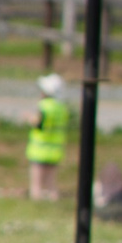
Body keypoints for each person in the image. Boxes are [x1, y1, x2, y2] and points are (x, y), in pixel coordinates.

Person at [29, 73, 71, 202]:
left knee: (37, 181)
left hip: (41, 148)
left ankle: (36, 199)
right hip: (55, 148)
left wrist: (28, 118)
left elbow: (39, 123)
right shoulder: (61, 107)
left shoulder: (44, 105)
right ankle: (53, 199)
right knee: (51, 181)